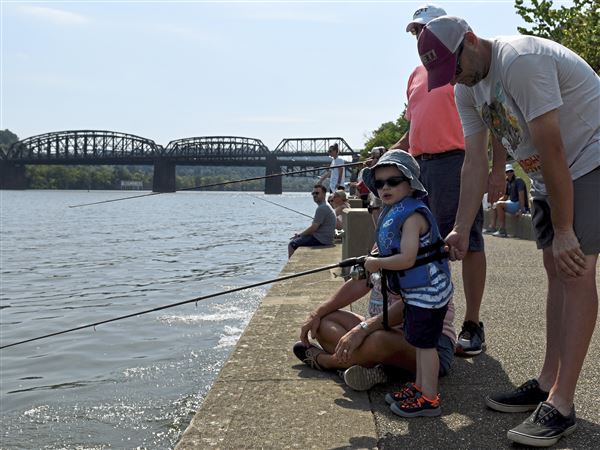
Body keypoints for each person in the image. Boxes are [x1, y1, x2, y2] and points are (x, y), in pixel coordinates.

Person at [418, 15, 599, 446]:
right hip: (544, 174)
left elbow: (552, 142)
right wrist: (461, 227)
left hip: (590, 159)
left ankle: (562, 402)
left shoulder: (520, 60)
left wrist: (566, 228)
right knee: (555, 271)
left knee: (574, 270)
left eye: (455, 67)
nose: (456, 78)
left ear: (470, 40)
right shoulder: (465, 88)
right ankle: (547, 380)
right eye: (447, 74)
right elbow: (475, 161)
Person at [293, 150, 456, 418]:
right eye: (378, 190)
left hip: (427, 338)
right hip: (391, 329)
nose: (383, 194)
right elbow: (360, 283)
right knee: (325, 323)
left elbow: (409, 301)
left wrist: (362, 329)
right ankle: (374, 368)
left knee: (375, 339)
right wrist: (318, 312)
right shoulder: (385, 241)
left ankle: (328, 361)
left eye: (392, 184)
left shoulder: (415, 234)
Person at [389, 4, 505, 357]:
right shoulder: (415, 75)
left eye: (423, 29)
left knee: (466, 241)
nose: (418, 37)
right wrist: (390, 156)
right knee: (419, 244)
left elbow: (493, 119)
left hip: (457, 162)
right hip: (419, 167)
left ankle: (471, 322)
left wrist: (497, 169)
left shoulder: (465, 67)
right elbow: (413, 131)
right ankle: (429, 317)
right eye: (414, 32)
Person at [288, 184, 336, 258]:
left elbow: (314, 228)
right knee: (300, 239)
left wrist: (299, 235)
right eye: (313, 193)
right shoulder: (325, 206)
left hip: (321, 240)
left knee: (292, 244)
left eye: (317, 193)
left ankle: (291, 267)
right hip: (325, 238)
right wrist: (301, 235)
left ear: (324, 194)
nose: (314, 195)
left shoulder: (322, 208)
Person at [485, 163, 530, 237]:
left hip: (519, 204)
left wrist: (521, 210)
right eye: (507, 172)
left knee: (499, 205)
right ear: (505, 173)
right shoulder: (508, 182)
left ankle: (502, 230)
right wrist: (496, 202)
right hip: (513, 203)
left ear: (513, 171)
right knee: (495, 204)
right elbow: (505, 196)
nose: (509, 173)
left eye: (511, 171)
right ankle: (492, 227)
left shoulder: (518, 181)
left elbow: (521, 196)